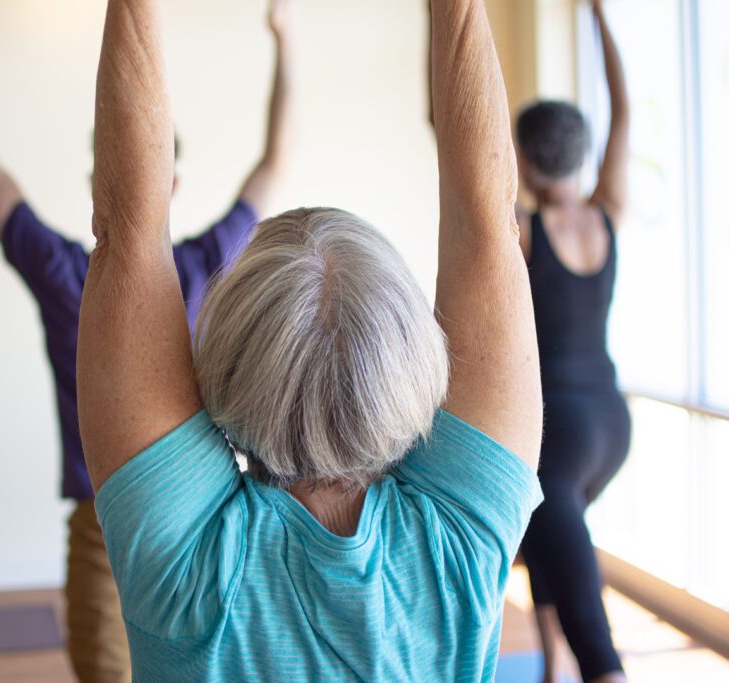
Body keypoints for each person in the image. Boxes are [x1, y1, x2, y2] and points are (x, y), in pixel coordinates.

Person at [77, 0, 543, 680]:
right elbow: (489, 222)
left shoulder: (187, 561)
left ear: (225, 365)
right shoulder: (461, 540)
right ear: (414, 362)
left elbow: (126, 230)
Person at [0, 0, 294, 679]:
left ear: (172, 182)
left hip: (209, 516)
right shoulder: (62, 271)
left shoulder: (204, 262)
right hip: (100, 524)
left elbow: (275, 159)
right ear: (95, 180)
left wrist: (286, 41)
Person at [515, 2, 631, 681]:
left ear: (526, 162)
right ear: (582, 155)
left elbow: (454, 137)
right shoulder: (604, 212)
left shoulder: (524, 230)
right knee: (548, 538)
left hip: (556, 434)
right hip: (611, 424)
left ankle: (583, 665)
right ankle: (553, 666)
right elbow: (624, 111)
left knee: (598, 641)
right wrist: (599, 14)